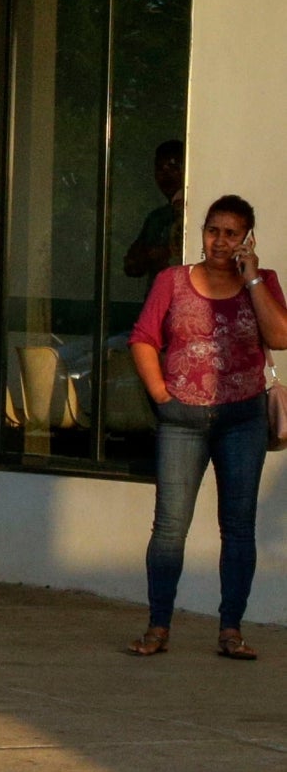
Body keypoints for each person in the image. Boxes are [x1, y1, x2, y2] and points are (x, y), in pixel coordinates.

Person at [125, 194, 286, 659]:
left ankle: (231, 629)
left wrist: (252, 274)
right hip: (182, 420)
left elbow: (280, 337)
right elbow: (143, 337)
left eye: (231, 233)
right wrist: (160, 393)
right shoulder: (172, 282)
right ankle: (158, 625)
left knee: (238, 527)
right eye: (213, 230)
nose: (219, 241)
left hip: (243, 419)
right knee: (170, 527)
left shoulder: (264, 282)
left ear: (248, 238)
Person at [122, 139, 188, 280]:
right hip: (158, 297)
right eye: (159, 168)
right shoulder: (156, 218)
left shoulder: (198, 214)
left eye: (173, 167)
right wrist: (148, 256)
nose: (166, 175)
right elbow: (131, 267)